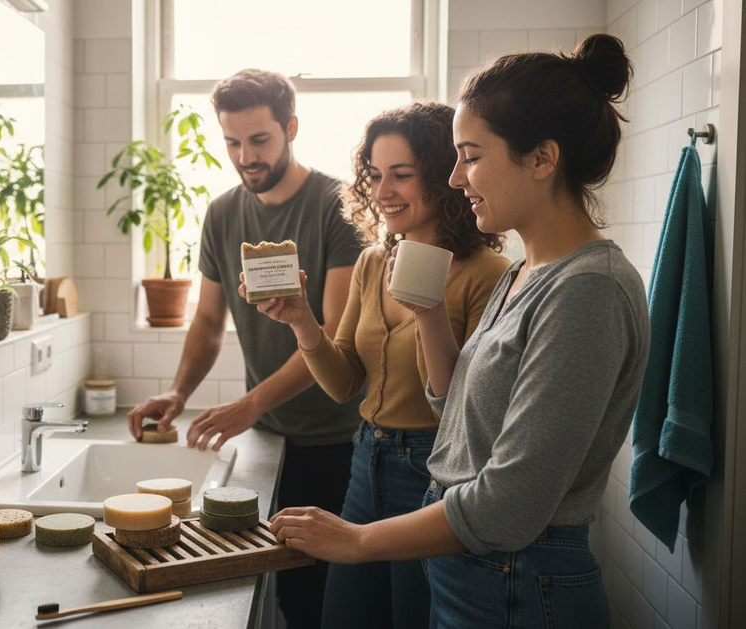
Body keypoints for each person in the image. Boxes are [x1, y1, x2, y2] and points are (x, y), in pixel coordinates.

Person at [269, 34, 650, 629]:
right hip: (479, 573)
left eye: (470, 155)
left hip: (517, 582)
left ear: (543, 158)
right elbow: (456, 411)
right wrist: (425, 315)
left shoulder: (589, 291)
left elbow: (510, 505)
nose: (455, 177)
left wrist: (359, 543)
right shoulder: (528, 272)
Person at [243, 101, 508, 627]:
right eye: (375, 175)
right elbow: (344, 384)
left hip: (437, 474)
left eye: (402, 176)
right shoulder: (372, 262)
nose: (383, 192)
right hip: (366, 462)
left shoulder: (488, 273)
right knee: (342, 617)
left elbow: (465, 409)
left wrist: (428, 315)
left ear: (443, 177)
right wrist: (301, 320)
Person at [127, 69, 365, 627]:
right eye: (232, 142)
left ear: (291, 128)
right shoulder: (223, 213)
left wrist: (249, 403)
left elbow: (329, 333)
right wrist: (179, 391)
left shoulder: (338, 206)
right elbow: (208, 320)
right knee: (275, 593)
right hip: (266, 441)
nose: (245, 156)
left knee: (319, 600)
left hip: (335, 440)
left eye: (259, 140)